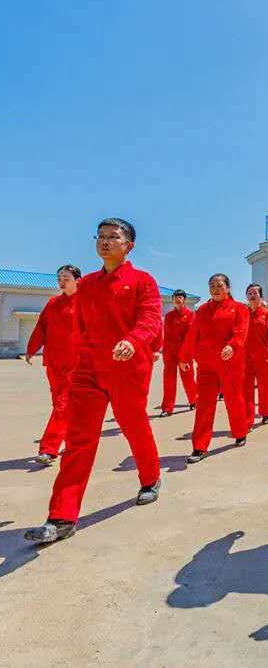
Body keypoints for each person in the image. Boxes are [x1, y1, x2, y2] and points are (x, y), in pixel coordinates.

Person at [25, 219, 163, 543]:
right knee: (79, 439)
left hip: (128, 367)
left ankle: (151, 478)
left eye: (113, 237)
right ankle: (61, 517)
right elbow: (80, 327)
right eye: (100, 237)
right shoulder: (86, 284)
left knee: (134, 425)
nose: (105, 242)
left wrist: (133, 341)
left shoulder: (143, 281)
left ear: (129, 245)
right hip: (89, 370)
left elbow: (150, 319)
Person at [180, 274, 250, 463]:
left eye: (219, 285)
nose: (215, 289)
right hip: (206, 365)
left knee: (234, 399)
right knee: (204, 404)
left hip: (231, 364)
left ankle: (240, 431)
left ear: (228, 287)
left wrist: (232, 346)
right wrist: (185, 356)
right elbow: (193, 334)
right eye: (212, 285)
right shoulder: (203, 310)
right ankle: (199, 446)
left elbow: (241, 332)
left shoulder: (239, 309)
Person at [25, 265, 81, 466]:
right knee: (61, 403)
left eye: (66, 278)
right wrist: (31, 349)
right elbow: (41, 327)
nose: (61, 282)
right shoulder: (53, 303)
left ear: (77, 280)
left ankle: (49, 449)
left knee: (63, 405)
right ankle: (72, 441)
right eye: (59, 278)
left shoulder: (86, 303)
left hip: (78, 364)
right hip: (55, 362)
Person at [244, 283, 268, 427]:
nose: (252, 296)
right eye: (249, 293)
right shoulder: (243, 314)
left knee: (265, 388)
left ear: (261, 296)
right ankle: (248, 418)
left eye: (255, 293)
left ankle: (265, 413)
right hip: (245, 358)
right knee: (246, 390)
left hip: (263, 358)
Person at [159, 289, 197, 416]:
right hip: (170, 353)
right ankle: (167, 408)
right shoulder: (169, 316)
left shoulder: (191, 315)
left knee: (188, 379)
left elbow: (190, 337)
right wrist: (164, 353)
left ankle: (194, 400)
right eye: (175, 297)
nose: (177, 299)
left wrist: (186, 355)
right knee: (168, 381)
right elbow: (166, 336)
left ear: (184, 299)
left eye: (180, 297)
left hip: (185, 353)